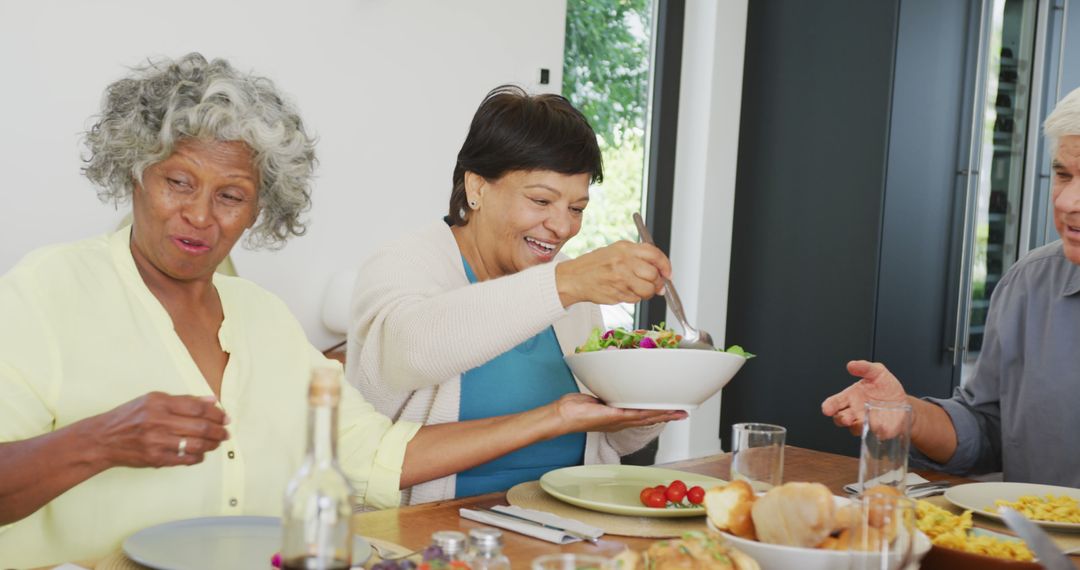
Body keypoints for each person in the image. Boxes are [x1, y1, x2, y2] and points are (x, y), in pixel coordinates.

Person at [0, 54, 682, 568]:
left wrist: (565, 415)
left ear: (262, 207)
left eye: (232, 195)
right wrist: (98, 441)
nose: (201, 215)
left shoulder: (261, 318)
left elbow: (377, 456)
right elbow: (412, 351)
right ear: (134, 173)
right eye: (178, 182)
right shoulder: (45, 292)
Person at [348, 86, 684, 504]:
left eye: (576, 209)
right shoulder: (404, 262)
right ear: (477, 187)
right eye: (541, 200)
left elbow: (609, 445)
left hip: (569, 528)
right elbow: (407, 354)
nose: (562, 228)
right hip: (434, 536)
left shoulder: (567, 289)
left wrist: (651, 398)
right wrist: (566, 282)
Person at [821, 86, 1080, 487]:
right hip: (1031, 549)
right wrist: (906, 411)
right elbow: (988, 430)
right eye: (1063, 175)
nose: (1066, 202)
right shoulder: (1030, 284)